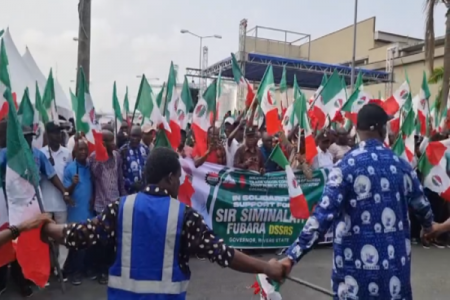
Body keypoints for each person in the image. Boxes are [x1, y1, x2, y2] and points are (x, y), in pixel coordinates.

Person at [42, 147, 285, 300]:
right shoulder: (185, 216)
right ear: (169, 177)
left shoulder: (120, 207)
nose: (180, 183)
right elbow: (223, 254)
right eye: (179, 178)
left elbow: (83, 234)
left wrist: (48, 228)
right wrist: (266, 267)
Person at [277, 103, 436, 300]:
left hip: (354, 282)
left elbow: (321, 217)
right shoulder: (402, 166)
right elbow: (423, 207)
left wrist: (292, 257)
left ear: (358, 131)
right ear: (383, 129)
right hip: (395, 279)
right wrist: (428, 228)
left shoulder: (344, 167)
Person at [88, 129, 126, 284]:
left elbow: (120, 179)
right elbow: (94, 176)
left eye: (113, 140)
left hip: (116, 203)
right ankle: (101, 271)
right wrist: (101, 155)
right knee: (102, 240)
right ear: (103, 142)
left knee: (114, 240)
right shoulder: (94, 157)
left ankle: (112, 268)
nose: (114, 143)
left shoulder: (117, 156)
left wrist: (123, 198)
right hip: (101, 205)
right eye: (110, 141)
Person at [63, 140, 95, 285]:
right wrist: (72, 184)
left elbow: (93, 184)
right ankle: (75, 273)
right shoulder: (70, 169)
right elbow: (65, 193)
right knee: (77, 244)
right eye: (80, 149)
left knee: (88, 242)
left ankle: (86, 269)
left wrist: (94, 198)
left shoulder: (90, 167)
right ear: (74, 152)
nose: (83, 152)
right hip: (76, 212)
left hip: (89, 211)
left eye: (85, 149)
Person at [40, 122, 73, 225]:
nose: (58, 135)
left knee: (61, 233)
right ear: (48, 135)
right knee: (46, 234)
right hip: (46, 203)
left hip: (62, 203)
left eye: (59, 132)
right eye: (54, 133)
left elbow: (69, 176)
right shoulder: (41, 153)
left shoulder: (67, 153)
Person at [120, 125, 149, 194]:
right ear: (129, 135)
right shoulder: (123, 150)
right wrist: (130, 184)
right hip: (128, 192)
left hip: (143, 191)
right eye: (133, 136)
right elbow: (119, 173)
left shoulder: (145, 149)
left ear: (141, 136)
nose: (135, 138)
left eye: (137, 136)